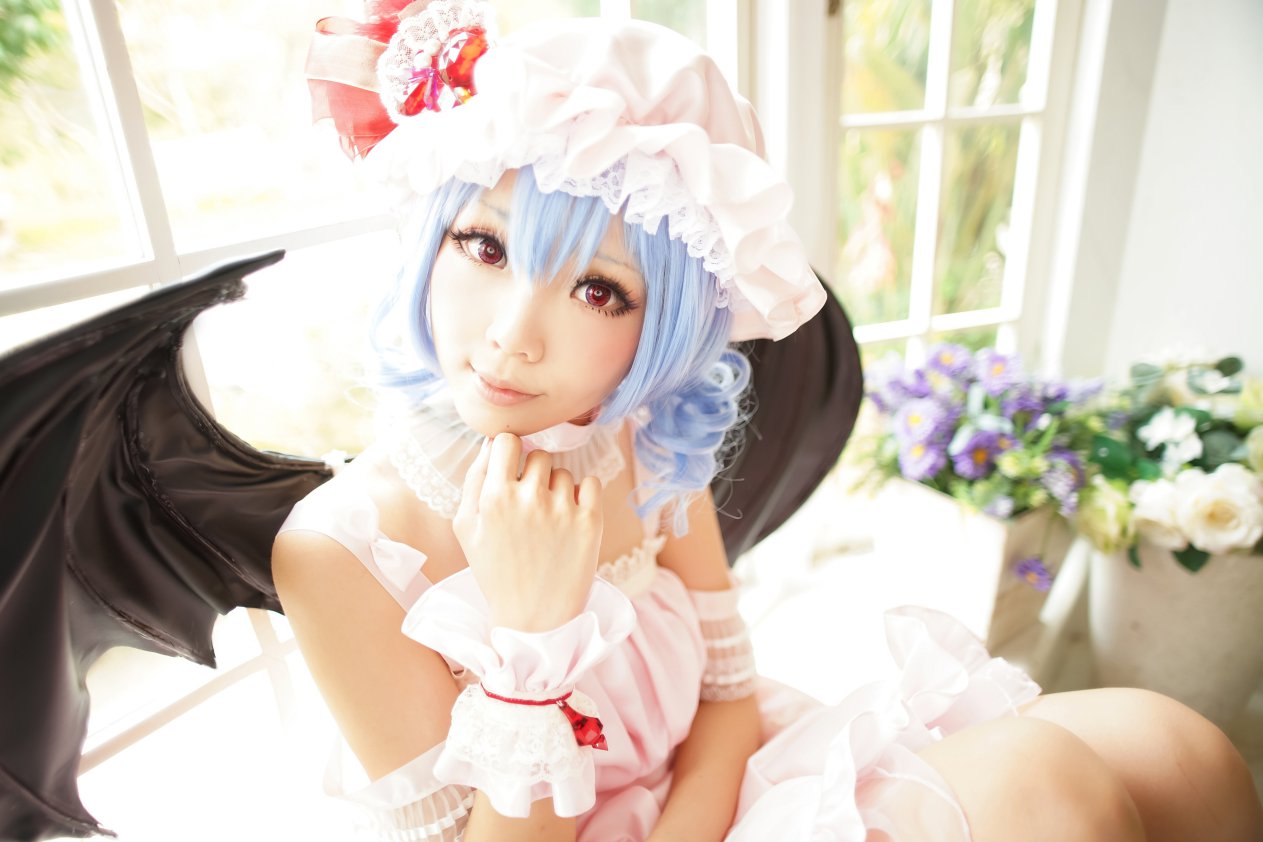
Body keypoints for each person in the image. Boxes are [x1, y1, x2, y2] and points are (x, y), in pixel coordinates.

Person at [274, 2, 1263, 840]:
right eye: (484, 245)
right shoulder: (342, 551)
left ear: (664, 326)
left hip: (730, 791)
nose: (513, 334)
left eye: (598, 291)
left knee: (1177, 746)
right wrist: (535, 637)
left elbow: (728, 697)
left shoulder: (633, 434)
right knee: (1042, 784)